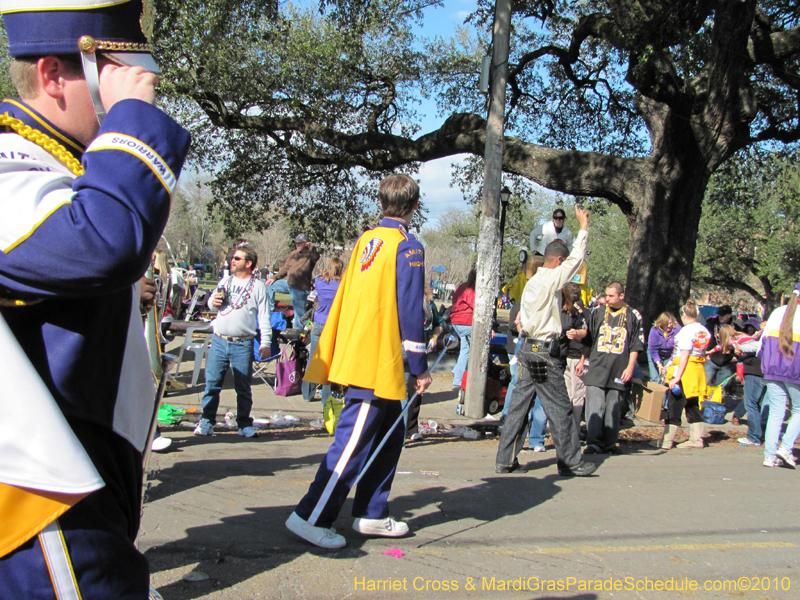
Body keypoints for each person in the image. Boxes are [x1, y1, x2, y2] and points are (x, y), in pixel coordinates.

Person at [0, 1, 191, 597]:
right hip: (42, 498)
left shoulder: (64, 168)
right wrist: (133, 117)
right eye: (107, 75)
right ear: (55, 75)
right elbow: (106, 241)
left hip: (79, 477)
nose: (122, 94)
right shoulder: (10, 168)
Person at [286, 174, 431, 549]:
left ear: (382, 202)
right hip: (376, 360)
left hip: (360, 352)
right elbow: (410, 310)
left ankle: (371, 512)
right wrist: (420, 366)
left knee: (389, 435)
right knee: (351, 443)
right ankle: (310, 515)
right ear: (415, 207)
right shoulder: (407, 246)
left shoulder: (366, 240)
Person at [494, 206, 596, 477]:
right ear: (558, 260)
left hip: (527, 349)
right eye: (564, 264)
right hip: (542, 352)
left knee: (519, 405)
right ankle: (570, 461)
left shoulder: (532, 283)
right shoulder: (551, 278)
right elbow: (576, 261)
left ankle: (505, 459)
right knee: (560, 406)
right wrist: (583, 228)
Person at [194, 244, 272, 439]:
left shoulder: (258, 287)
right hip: (219, 340)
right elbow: (212, 303)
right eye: (233, 258)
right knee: (212, 384)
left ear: (249, 263)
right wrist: (214, 302)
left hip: (242, 343)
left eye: (237, 258)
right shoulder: (226, 281)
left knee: (243, 387)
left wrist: (266, 343)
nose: (232, 260)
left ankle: (244, 424)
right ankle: (207, 421)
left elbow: (264, 317)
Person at [579, 283, 644, 455]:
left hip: (618, 368)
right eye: (606, 295)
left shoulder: (633, 315)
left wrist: (630, 367)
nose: (607, 299)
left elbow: (636, 345)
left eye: (611, 296)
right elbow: (589, 340)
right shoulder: (598, 313)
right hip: (598, 367)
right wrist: (582, 359)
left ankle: (609, 443)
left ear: (621, 296)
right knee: (594, 406)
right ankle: (593, 442)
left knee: (613, 407)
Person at [650, 300, 711, 449]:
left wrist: (677, 377)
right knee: (692, 405)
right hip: (697, 370)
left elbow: (684, 354)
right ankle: (697, 439)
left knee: (674, 405)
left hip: (684, 371)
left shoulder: (686, 331)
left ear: (684, 315)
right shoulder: (703, 330)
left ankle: (666, 441)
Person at [758, 284, 800, 468]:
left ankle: (769, 456)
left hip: (772, 368)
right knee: (798, 410)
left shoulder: (776, 313)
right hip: (795, 370)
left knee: (776, 412)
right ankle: (786, 447)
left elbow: (762, 344)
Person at [404, 283, 444, 441]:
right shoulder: (403, 302)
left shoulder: (430, 305)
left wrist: (434, 337)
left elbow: (439, 325)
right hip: (402, 350)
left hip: (419, 352)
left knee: (415, 391)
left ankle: (411, 429)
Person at [301, 258, 345, 403]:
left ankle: (307, 394)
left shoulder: (319, 282)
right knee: (328, 362)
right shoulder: (341, 285)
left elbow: (314, 282)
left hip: (318, 322)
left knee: (313, 359)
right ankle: (326, 397)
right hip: (332, 325)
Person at [267, 234, 321, 329]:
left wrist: (311, 246)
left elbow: (316, 257)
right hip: (288, 284)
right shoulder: (294, 254)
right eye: (296, 243)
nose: (297, 244)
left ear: (306, 244)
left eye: (300, 243)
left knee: (299, 315)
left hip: (299, 288)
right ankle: (271, 309)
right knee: (269, 285)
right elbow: (285, 268)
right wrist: (274, 277)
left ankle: (298, 337)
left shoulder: (310, 255)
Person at [450, 266, 476, 388]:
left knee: (464, 349)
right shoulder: (474, 289)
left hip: (456, 321)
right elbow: (475, 305)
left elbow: (454, 301)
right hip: (467, 322)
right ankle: (459, 378)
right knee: (467, 351)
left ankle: (457, 371)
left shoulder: (462, 286)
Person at [647, 312, 681, 381]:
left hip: (670, 354)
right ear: (661, 323)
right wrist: (659, 364)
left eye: (670, 323)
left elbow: (677, 349)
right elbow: (653, 349)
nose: (669, 326)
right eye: (666, 324)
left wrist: (669, 363)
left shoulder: (677, 330)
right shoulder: (654, 330)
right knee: (656, 378)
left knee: (667, 377)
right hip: (655, 353)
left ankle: (666, 391)